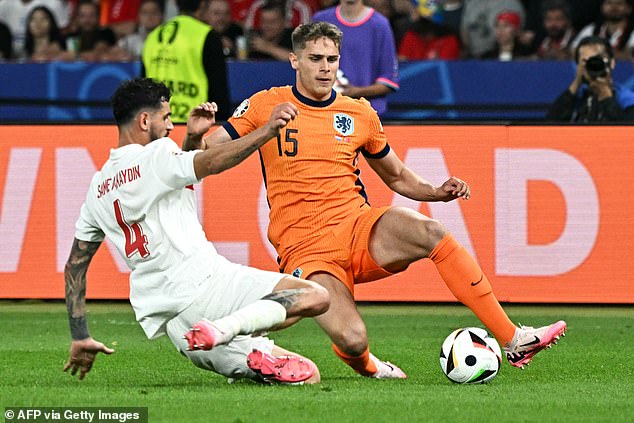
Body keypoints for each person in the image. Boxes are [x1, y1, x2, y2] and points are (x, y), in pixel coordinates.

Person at [192, 22, 568, 379]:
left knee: (431, 231)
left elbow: (398, 176)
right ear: (294, 60)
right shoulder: (265, 104)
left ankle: (513, 339)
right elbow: (211, 150)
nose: (325, 68)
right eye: (315, 59)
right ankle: (370, 366)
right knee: (352, 339)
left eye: (332, 59)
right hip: (306, 250)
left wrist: (437, 192)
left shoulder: (359, 113)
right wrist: (209, 135)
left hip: (357, 227)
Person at [62, 77, 330, 384]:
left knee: (309, 375)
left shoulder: (98, 188)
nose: (169, 127)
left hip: (181, 329)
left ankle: (239, 352)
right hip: (208, 286)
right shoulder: (157, 153)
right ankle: (226, 328)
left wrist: (80, 334)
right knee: (315, 296)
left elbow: (75, 266)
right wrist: (267, 131)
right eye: (166, 118)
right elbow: (210, 163)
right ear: (145, 120)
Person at [142, 0, 230, 122]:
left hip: (159, 123)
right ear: (202, 4)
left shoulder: (153, 36)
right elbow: (218, 89)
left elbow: (143, 86)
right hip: (195, 123)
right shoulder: (207, 35)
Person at [313, 0, 399, 116]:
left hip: (368, 114)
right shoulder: (321, 20)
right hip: (326, 111)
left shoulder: (380, 25)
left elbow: (389, 81)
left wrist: (355, 92)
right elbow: (309, 65)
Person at [546, 35, 634, 121]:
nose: (592, 65)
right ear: (578, 66)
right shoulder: (576, 97)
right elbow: (549, 125)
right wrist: (576, 83)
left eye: (597, 60)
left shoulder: (626, 98)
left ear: (612, 63)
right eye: (585, 61)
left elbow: (626, 132)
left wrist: (606, 95)